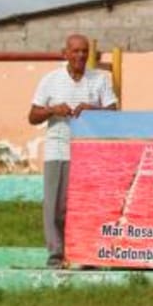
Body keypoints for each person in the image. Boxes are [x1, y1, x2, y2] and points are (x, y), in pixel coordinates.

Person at [28, 34, 119, 268]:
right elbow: (32, 116)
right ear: (65, 53)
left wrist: (93, 109)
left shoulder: (100, 79)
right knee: (55, 207)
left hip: (89, 152)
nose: (80, 55)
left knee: (86, 205)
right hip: (58, 149)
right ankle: (56, 257)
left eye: (84, 51)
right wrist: (52, 110)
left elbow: (115, 112)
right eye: (75, 51)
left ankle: (88, 255)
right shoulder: (50, 79)